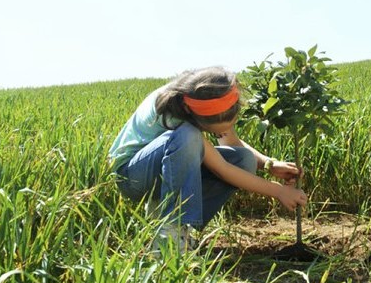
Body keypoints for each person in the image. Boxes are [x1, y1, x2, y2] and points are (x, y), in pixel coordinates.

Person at [109, 67, 307, 253]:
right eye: (217, 131)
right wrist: (279, 191)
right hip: (132, 176)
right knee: (188, 136)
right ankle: (167, 235)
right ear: (195, 117)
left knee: (243, 160)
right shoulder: (175, 116)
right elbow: (221, 168)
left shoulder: (212, 100)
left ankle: (181, 226)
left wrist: (269, 164)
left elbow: (232, 143)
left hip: (165, 165)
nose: (221, 133)